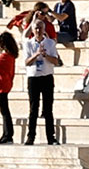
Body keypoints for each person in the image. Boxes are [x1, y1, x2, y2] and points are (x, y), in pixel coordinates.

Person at [23, 17, 62, 145]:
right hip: (33, 77)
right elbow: (27, 62)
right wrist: (36, 54)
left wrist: (45, 55)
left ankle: (51, 137)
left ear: (44, 29)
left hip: (47, 77)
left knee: (48, 108)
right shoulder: (28, 44)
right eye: (36, 28)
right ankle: (31, 136)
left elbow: (56, 61)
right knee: (33, 108)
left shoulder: (50, 43)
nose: (38, 30)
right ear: (32, 30)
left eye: (40, 28)